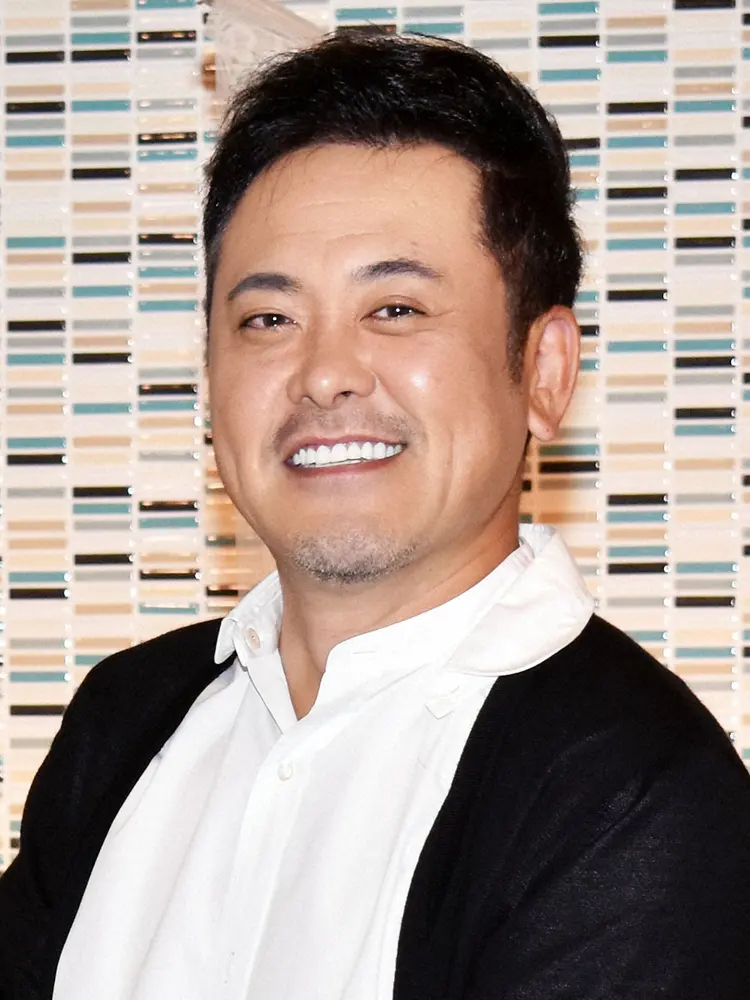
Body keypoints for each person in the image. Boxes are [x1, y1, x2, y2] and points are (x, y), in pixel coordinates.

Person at [2, 30, 750, 1000]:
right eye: (268, 319)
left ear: (544, 370)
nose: (324, 374)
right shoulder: (125, 720)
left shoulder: (633, 797)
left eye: (395, 308)